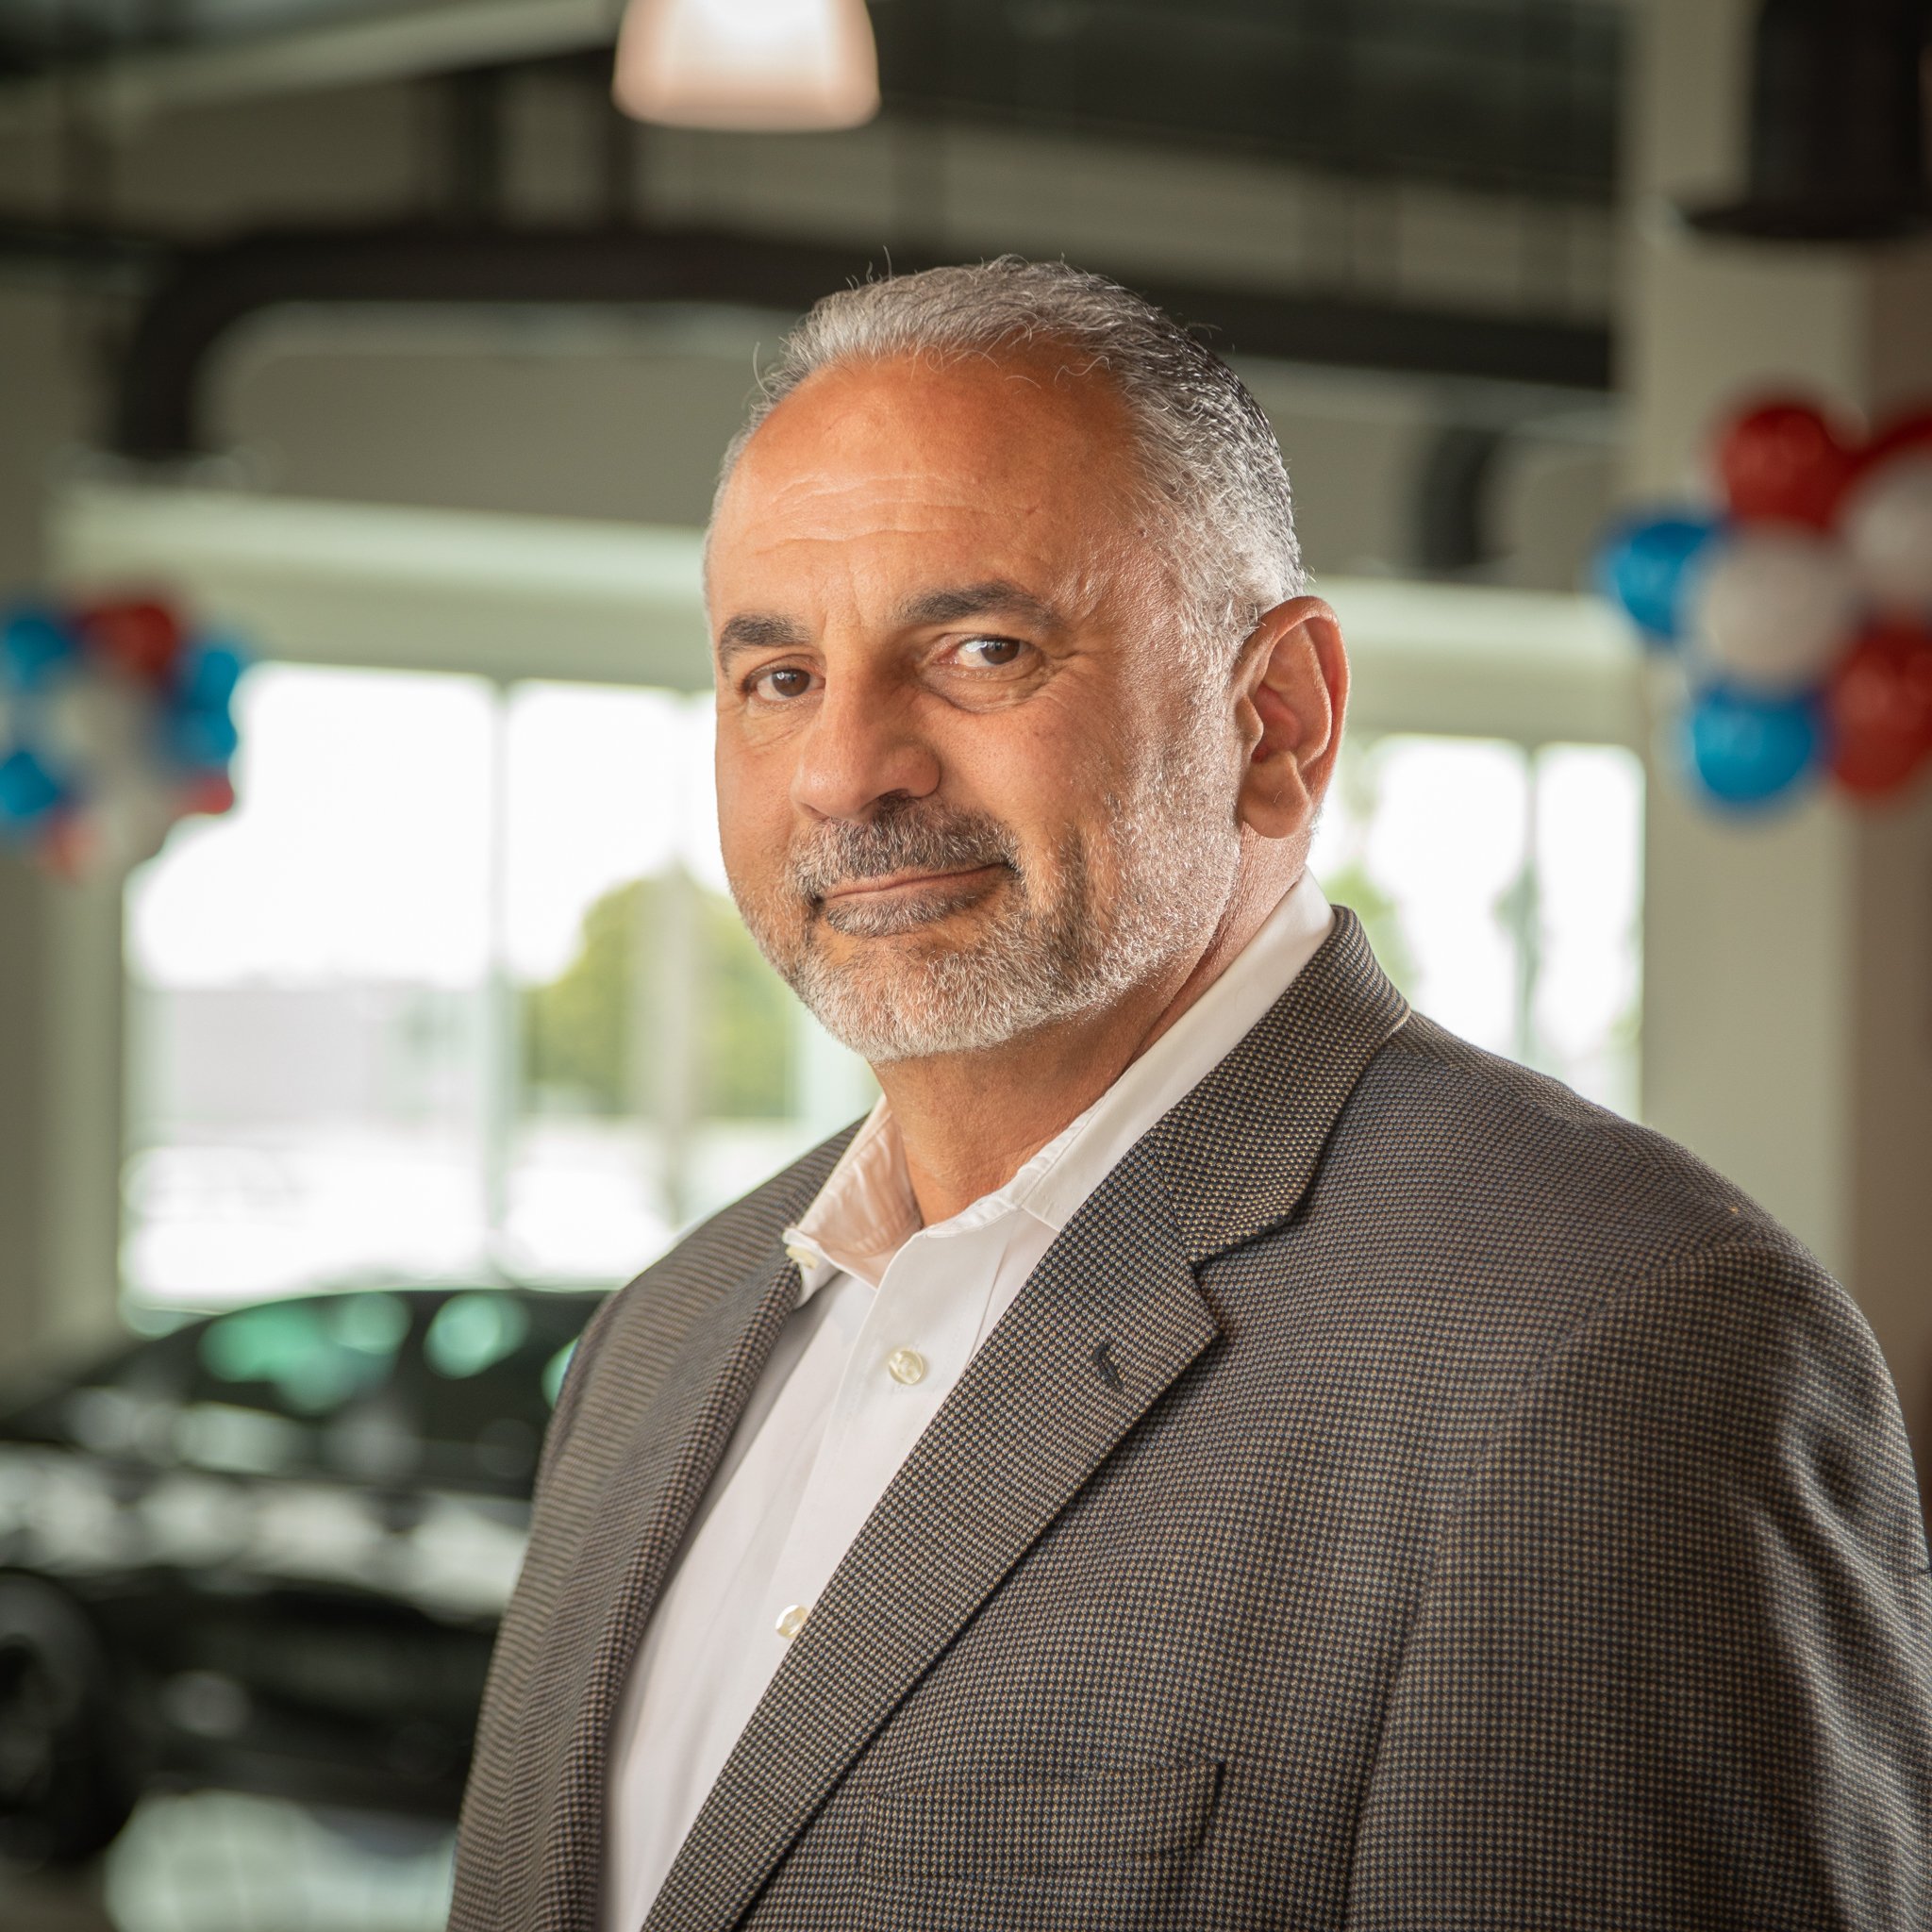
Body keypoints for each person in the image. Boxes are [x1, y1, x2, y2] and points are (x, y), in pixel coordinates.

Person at [449, 259, 1932, 1932]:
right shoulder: (660, 1335)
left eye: (983, 649)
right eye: (778, 677)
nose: (847, 770)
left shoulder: (1609, 1338)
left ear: (1277, 721)